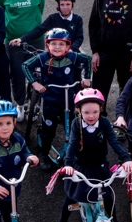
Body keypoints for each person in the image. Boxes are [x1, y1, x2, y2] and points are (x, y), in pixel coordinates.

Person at [51, 89, 132, 222]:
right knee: (72, 196)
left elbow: (114, 142)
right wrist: (68, 165)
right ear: (79, 111)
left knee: (108, 196)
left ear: (101, 110)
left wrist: (126, 159)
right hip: (81, 166)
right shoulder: (76, 124)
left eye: (95, 112)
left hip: (99, 166)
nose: (91, 116)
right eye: (86, 112)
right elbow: (71, 145)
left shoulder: (103, 123)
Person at [22, 28, 92, 171]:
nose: (57, 48)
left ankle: (75, 151)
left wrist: (86, 77)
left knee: (74, 125)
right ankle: (44, 153)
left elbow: (88, 59)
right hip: (50, 100)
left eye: (61, 44)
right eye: (53, 44)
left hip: (69, 99)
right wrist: (35, 83)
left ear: (68, 46)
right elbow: (25, 66)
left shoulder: (72, 57)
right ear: (48, 45)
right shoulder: (43, 58)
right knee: (49, 129)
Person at [0, 0, 45, 121]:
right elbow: (0, 11)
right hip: (12, 41)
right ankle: (20, 104)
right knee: (17, 73)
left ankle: (34, 104)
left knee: (37, 73)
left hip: (36, 39)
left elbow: (40, 7)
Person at [9, 0, 84, 53]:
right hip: (55, 53)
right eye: (62, 4)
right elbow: (39, 30)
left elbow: (79, 38)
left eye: (68, 4)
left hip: (72, 53)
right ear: (58, 5)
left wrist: (71, 49)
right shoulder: (53, 18)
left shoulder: (77, 19)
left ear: (73, 4)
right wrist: (22, 39)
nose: (65, 7)